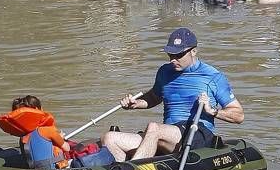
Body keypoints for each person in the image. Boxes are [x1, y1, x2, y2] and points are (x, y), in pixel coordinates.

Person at [101, 27, 244, 161]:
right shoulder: (164, 71)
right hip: (167, 134)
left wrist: (212, 111)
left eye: (179, 55)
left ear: (193, 51)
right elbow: (154, 97)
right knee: (110, 138)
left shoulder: (213, 76)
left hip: (197, 133)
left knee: (153, 128)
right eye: (170, 54)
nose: (173, 59)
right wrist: (136, 103)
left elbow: (238, 115)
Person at [0, 94, 72, 169]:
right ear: (39, 110)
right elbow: (67, 148)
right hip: (51, 169)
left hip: (33, 169)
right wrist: (61, 139)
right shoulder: (48, 130)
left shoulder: (23, 136)